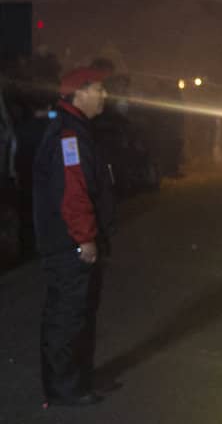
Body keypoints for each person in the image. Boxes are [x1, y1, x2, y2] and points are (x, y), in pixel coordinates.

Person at [33, 66, 115, 409]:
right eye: (98, 88)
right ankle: (66, 389)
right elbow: (73, 192)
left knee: (77, 313)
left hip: (68, 243)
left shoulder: (76, 131)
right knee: (68, 315)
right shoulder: (70, 137)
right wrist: (85, 238)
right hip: (70, 245)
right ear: (79, 92)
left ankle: (77, 380)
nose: (105, 95)